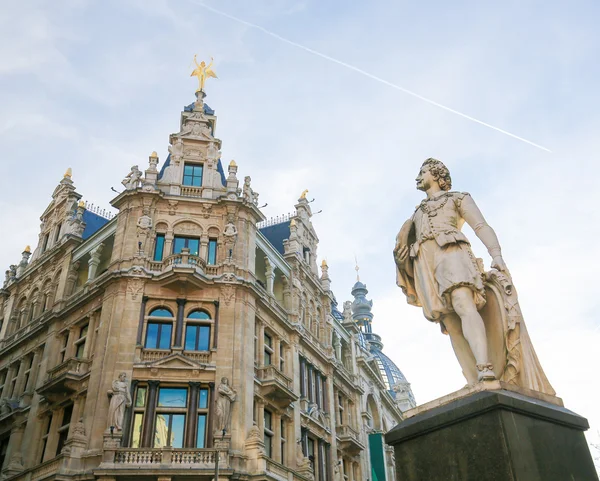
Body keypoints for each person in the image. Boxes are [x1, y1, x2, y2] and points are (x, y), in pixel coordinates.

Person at [394, 158, 506, 383]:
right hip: (424, 261)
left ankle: (485, 366)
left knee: (463, 303)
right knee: (450, 322)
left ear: (436, 174)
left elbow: (480, 226)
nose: (418, 177)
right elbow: (403, 245)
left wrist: (496, 255)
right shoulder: (416, 214)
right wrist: (401, 258)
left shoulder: (458, 198)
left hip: (451, 251)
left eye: (422, 171)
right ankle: (473, 378)